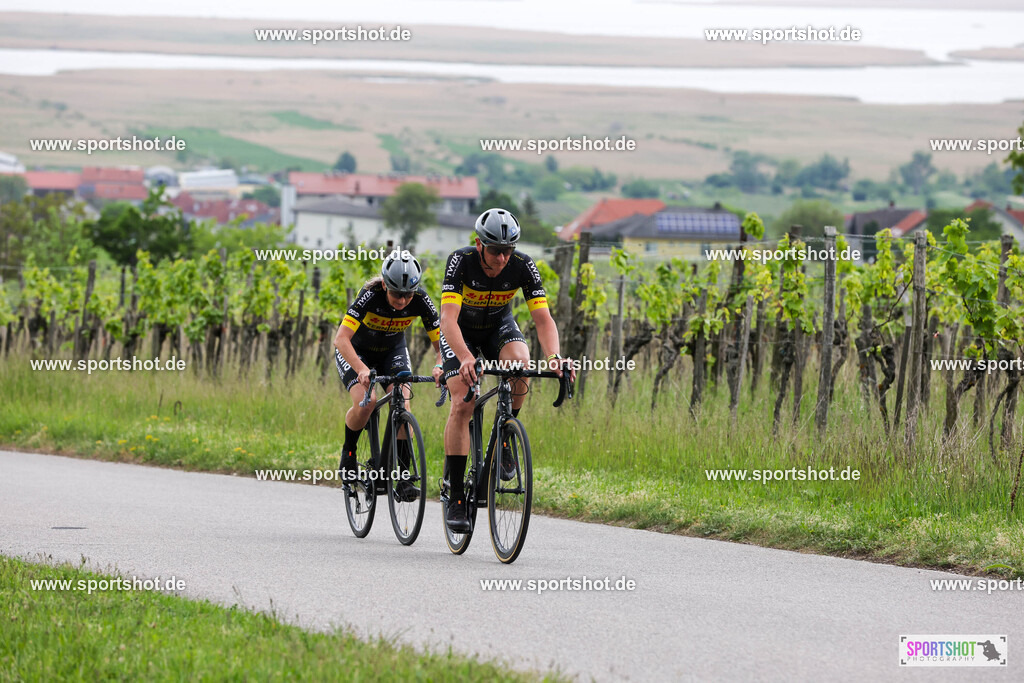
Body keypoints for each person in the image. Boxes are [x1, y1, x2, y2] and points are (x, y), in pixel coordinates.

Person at [438, 208, 575, 532]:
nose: (502, 258)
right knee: (463, 404)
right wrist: (465, 357)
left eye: (508, 250)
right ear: (479, 244)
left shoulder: (522, 265)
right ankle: (456, 495)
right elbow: (447, 319)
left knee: (521, 366)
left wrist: (555, 357)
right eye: (496, 250)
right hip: (461, 332)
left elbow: (543, 319)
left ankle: (505, 436)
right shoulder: (461, 261)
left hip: (498, 325)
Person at [334, 251, 443, 501]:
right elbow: (340, 339)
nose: (403, 300)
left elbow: (441, 345)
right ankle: (349, 451)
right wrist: (361, 368)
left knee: (403, 401)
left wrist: (440, 365)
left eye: (408, 295)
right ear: (385, 285)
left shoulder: (421, 300)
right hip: (357, 352)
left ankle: (403, 477)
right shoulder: (370, 296)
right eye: (396, 294)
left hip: (392, 351)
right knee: (367, 401)